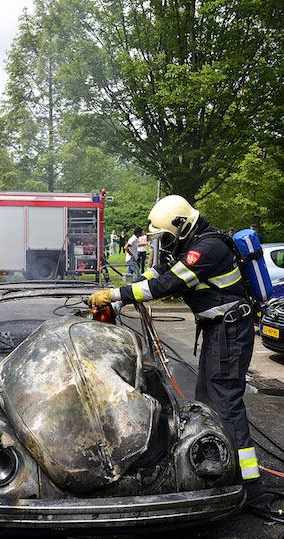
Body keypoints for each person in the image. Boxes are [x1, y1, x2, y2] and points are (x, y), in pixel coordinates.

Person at [88, 194, 263, 504]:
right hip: (219, 331)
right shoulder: (189, 244)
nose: (165, 242)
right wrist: (127, 289)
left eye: (167, 235)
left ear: (182, 226)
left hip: (230, 331)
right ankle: (219, 466)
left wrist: (117, 293)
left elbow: (167, 285)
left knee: (226, 402)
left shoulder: (208, 248)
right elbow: (159, 274)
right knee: (208, 399)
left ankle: (249, 486)